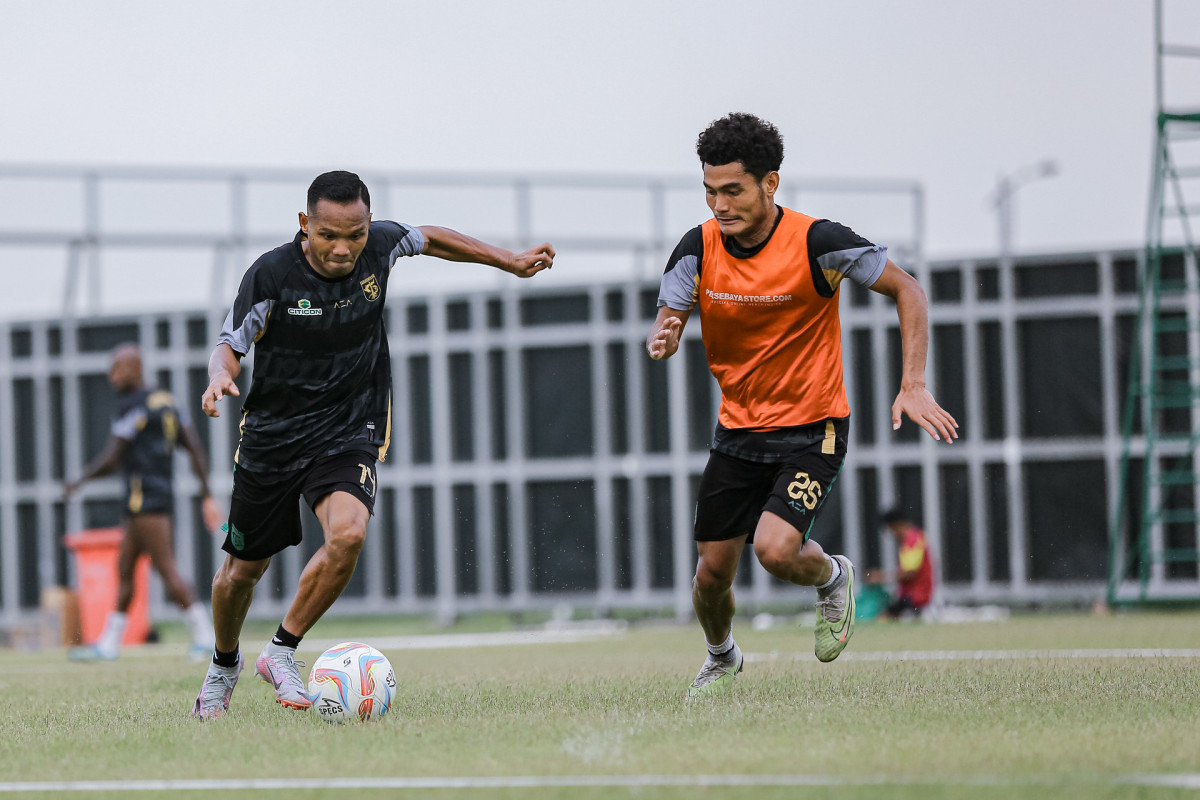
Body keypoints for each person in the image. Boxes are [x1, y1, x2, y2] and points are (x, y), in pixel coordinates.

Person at [191, 170, 555, 720]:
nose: (343, 249)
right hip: (273, 438)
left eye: (355, 235)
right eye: (329, 235)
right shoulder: (271, 276)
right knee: (241, 573)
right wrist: (220, 377)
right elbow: (229, 343)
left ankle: (281, 651)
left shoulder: (380, 245)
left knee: (349, 534)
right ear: (304, 225)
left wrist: (506, 260)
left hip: (347, 427)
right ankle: (223, 664)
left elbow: (430, 237)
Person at [646, 113, 958, 698]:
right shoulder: (697, 246)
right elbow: (668, 318)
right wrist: (662, 338)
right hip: (737, 430)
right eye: (710, 191)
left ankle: (834, 576)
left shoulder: (818, 241)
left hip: (815, 428)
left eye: (733, 190)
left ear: (771, 183)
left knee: (774, 550)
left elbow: (908, 289)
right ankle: (722, 658)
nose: (720, 204)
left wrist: (912, 382)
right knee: (710, 577)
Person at [63, 343, 222, 662]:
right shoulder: (168, 401)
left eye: (118, 368)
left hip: (144, 497)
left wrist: (79, 482)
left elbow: (113, 457)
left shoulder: (131, 404)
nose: (112, 376)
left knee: (166, 569)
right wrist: (206, 495)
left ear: (136, 368)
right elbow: (194, 449)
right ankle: (109, 644)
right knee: (125, 568)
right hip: (155, 494)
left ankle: (207, 637)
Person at [865, 509, 935, 618]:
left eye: (891, 529)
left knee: (883, 618)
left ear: (896, 525)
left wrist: (880, 577)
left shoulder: (913, 540)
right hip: (910, 596)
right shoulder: (910, 539)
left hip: (916, 598)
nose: (892, 534)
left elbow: (910, 573)